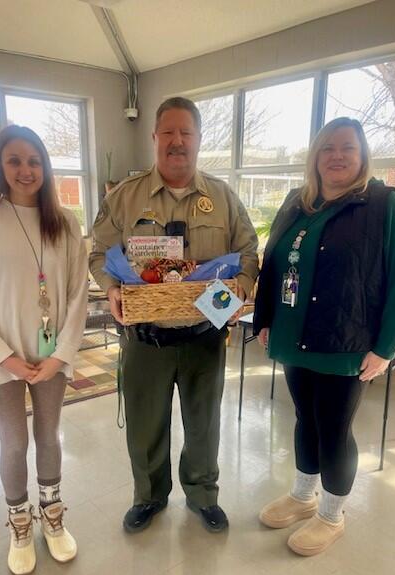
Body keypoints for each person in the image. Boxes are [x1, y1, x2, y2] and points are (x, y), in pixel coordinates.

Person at [253, 117, 395, 556]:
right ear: (315, 156)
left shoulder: (385, 205)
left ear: (362, 155)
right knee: (304, 419)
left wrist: (385, 348)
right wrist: (265, 318)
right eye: (328, 148)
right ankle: (302, 495)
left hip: (345, 342)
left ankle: (332, 515)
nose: (337, 156)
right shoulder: (297, 202)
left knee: (334, 428)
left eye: (347, 147)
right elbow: (273, 263)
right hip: (293, 336)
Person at [89, 96, 258, 533]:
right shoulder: (125, 198)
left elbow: (247, 252)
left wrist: (240, 286)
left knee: (203, 425)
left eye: (186, 132)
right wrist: (110, 289)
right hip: (146, 339)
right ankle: (149, 497)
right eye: (168, 132)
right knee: (145, 428)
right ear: (155, 138)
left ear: (199, 139)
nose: (177, 141)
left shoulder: (222, 197)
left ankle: (203, 495)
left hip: (205, 336)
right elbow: (98, 253)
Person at [0, 125, 89, 575]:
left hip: (51, 355)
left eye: (34, 161)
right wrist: (3, 356)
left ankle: (52, 517)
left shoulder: (65, 221)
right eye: (14, 160)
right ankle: (18, 522)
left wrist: (60, 354)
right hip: (0, 356)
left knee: (48, 435)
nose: (25, 170)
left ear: (45, 166)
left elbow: (76, 294)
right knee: (14, 443)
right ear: (0, 165)